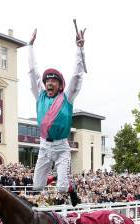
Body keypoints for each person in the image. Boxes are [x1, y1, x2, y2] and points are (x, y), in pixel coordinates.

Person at [29, 27, 86, 207]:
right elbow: (33, 73)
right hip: (44, 145)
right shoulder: (40, 96)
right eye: (47, 81)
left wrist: (80, 49)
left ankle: (69, 186)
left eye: (53, 81)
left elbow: (77, 75)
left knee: (62, 188)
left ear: (60, 84)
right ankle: (53, 176)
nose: (49, 83)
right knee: (37, 186)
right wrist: (30, 47)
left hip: (62, 147)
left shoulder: (67, 97)